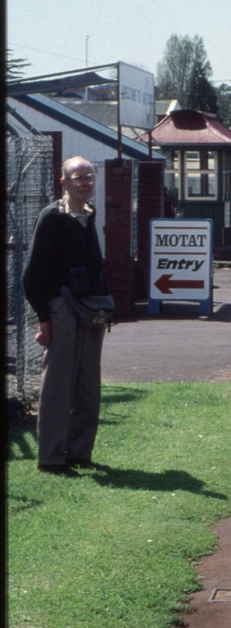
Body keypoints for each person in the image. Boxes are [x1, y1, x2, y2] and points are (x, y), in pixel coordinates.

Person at [22, 156, 110, 473]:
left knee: (88, 384)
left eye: (89, 176)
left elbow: (95, 265)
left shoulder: (88, 215)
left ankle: (79, 451)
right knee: (58, 385)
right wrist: (44, 319)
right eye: (77, 177)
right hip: (61, 306)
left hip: (91, 308)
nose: (84, 182)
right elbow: (31, 276)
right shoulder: (52, 217)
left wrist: (104, 305)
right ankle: (51, 457)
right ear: (64, 182)